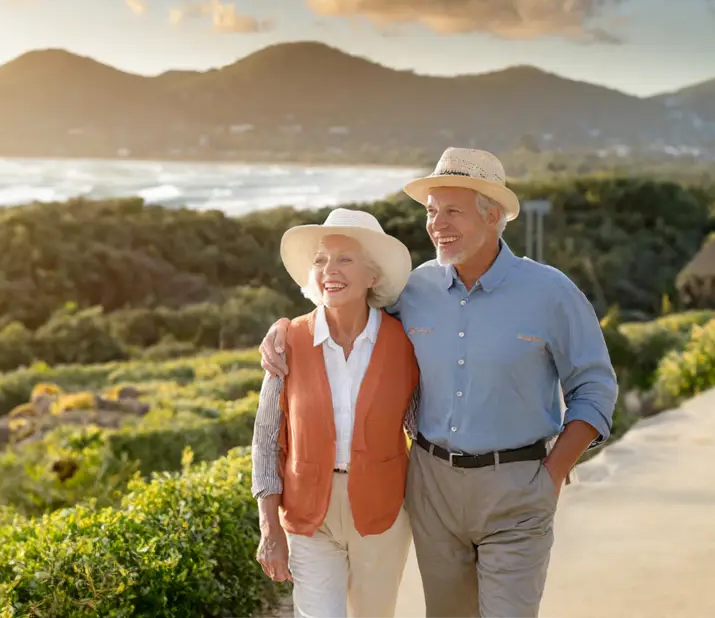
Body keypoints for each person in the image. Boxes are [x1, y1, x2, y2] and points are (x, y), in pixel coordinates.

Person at [258, 147, 619, 618]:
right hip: (432, 490)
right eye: (431, 212)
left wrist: (550, 474)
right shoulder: (412, 290)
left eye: (452, 211)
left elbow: (594, 388)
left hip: (518, 487)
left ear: (493, 216)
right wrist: (282, 328)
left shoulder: (551, 292)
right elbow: (342, 312)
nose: (437, 224)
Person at [250, 207, 420, 618]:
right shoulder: (287, 340)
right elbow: (265, 438)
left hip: (382, 514)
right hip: (309, 515)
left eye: (344, 259)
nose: (330, 269)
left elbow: (422, 426)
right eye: (321, 260)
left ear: (372, 276)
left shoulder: (406, 343)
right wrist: (268, 525)